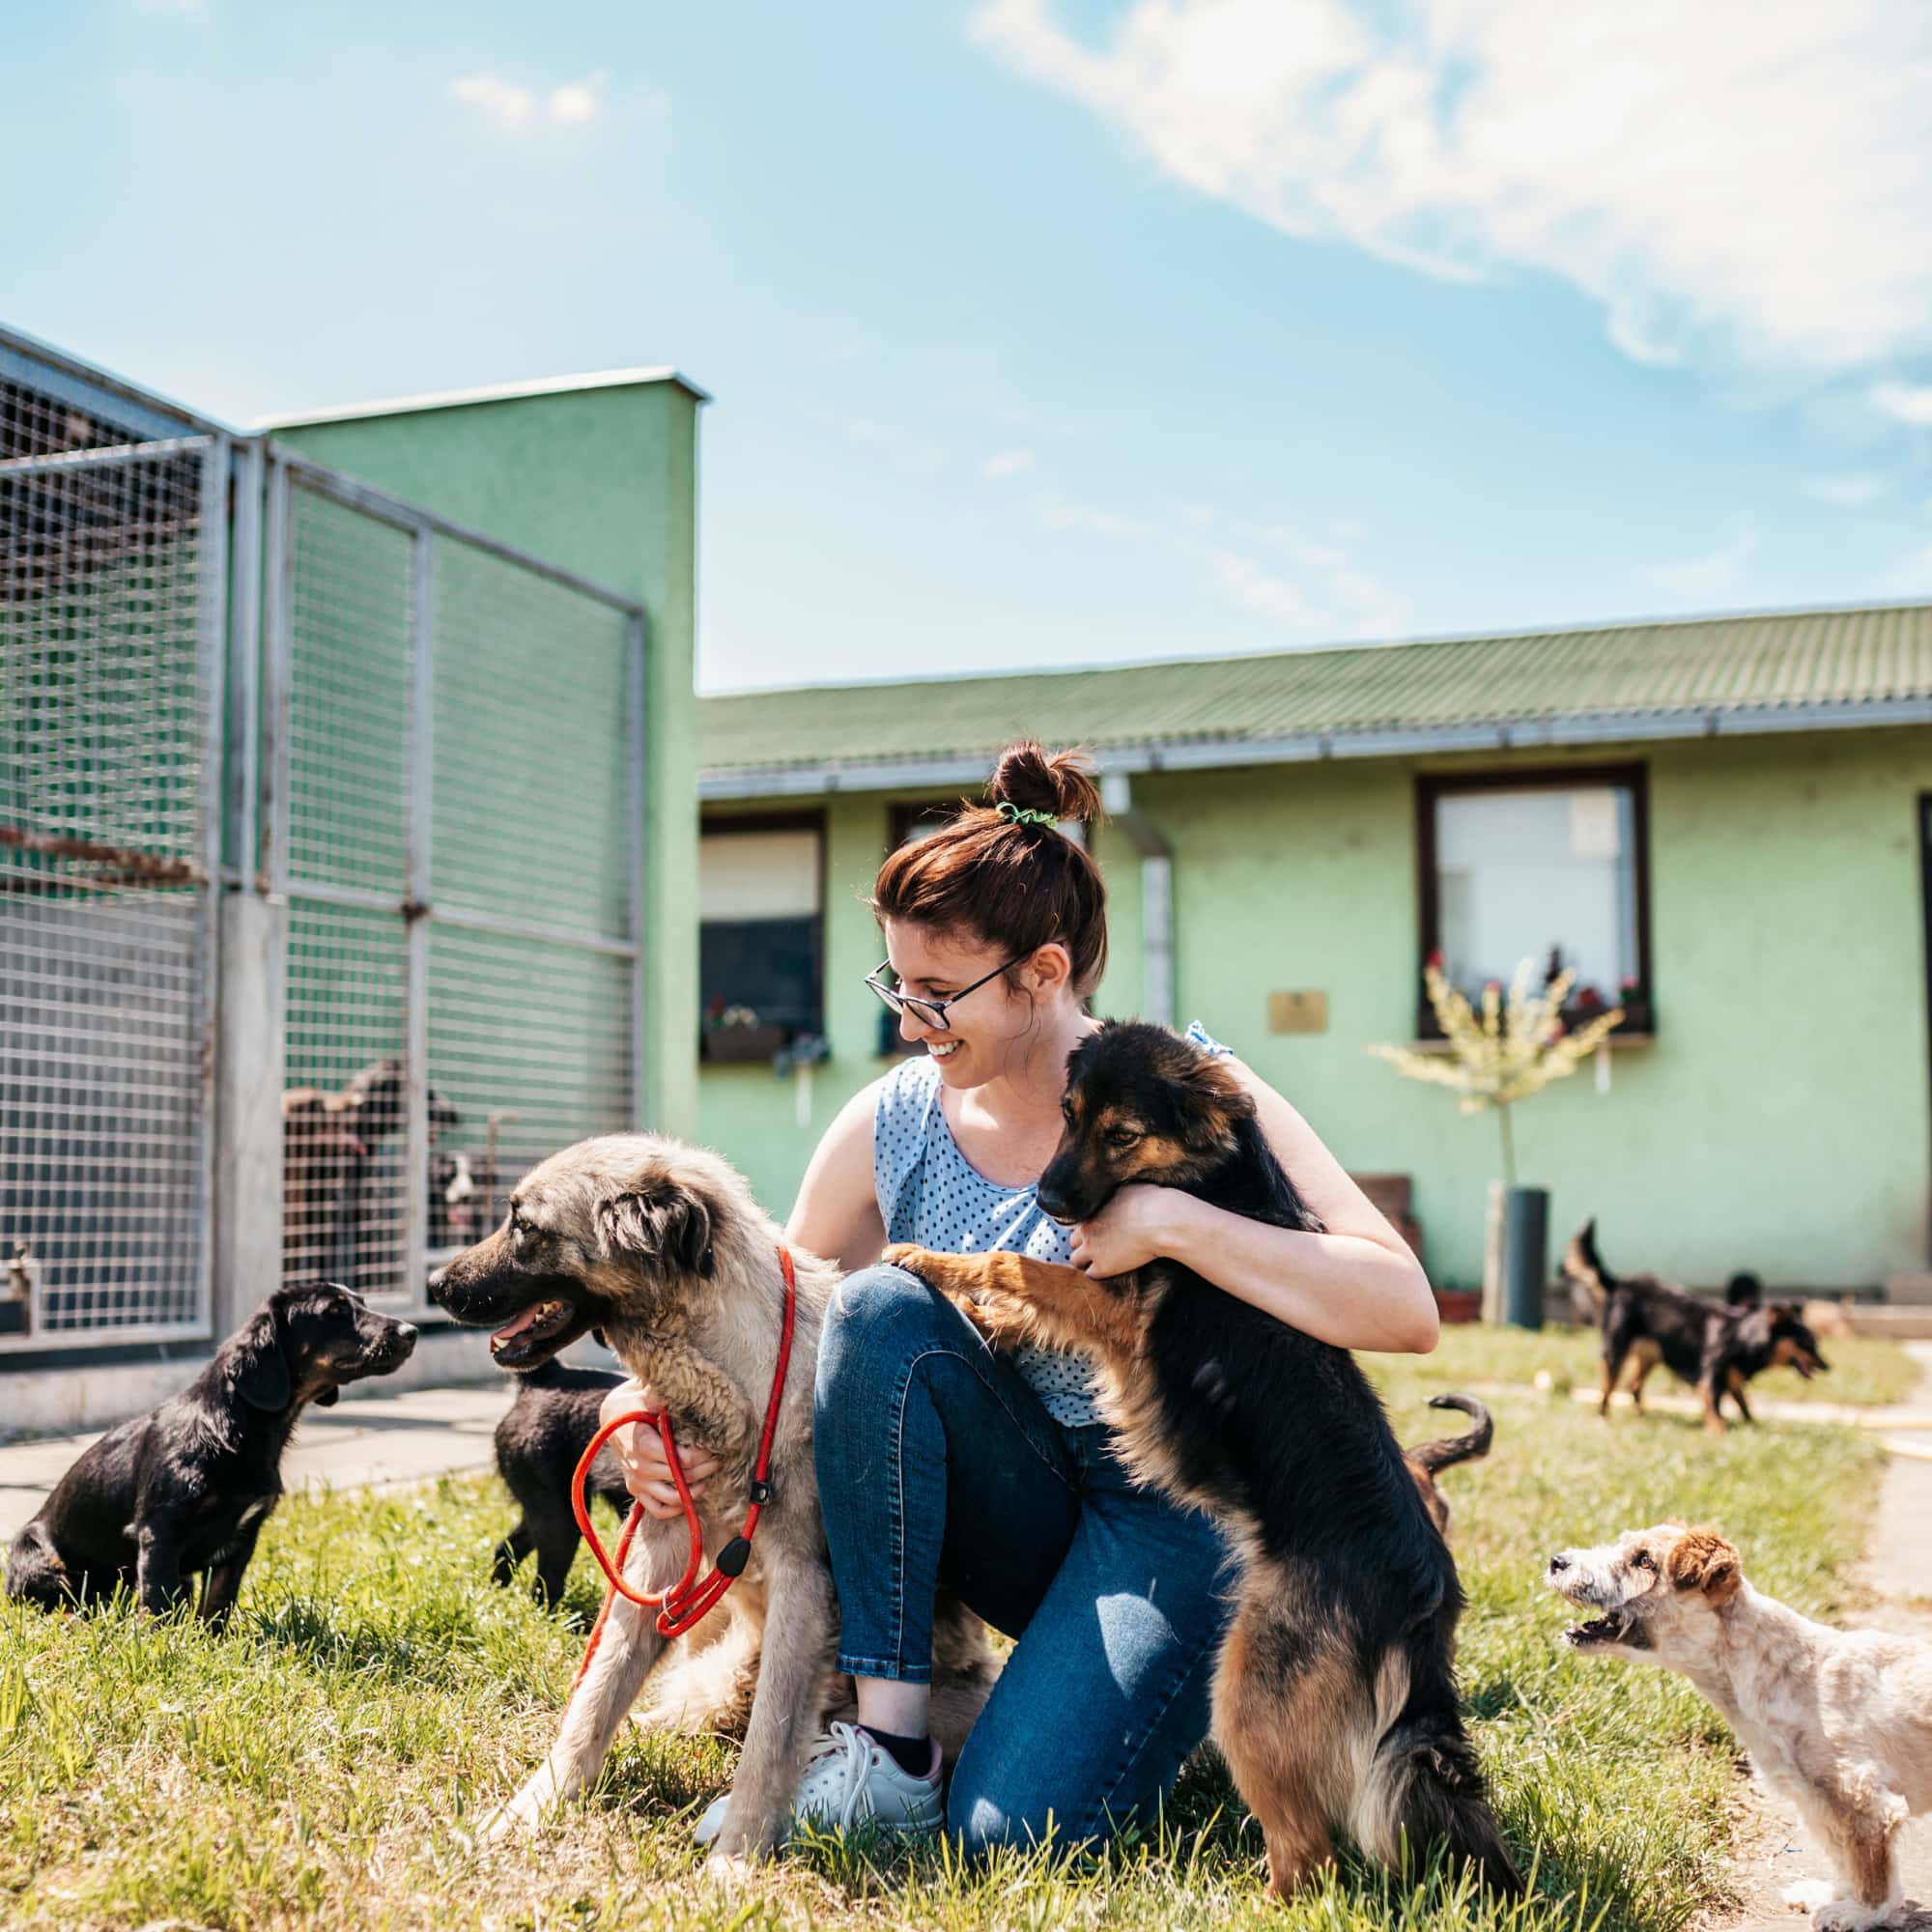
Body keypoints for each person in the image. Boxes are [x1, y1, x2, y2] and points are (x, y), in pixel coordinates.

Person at [602, 741, 1438, 1858]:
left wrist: (1174, 1221)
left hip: (1171, 1516)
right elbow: (773, 1328)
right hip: (1005, 1503)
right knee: (877, 1308)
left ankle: (1140, 1693)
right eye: (894, 983)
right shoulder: (890, 1118)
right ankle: (891, 1747)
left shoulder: (1186, 1088)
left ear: (1043, 972)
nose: (910, 1016)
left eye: (939, 991)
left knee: (1014, 1831)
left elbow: (1401, 1305)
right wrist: (633, 1422)